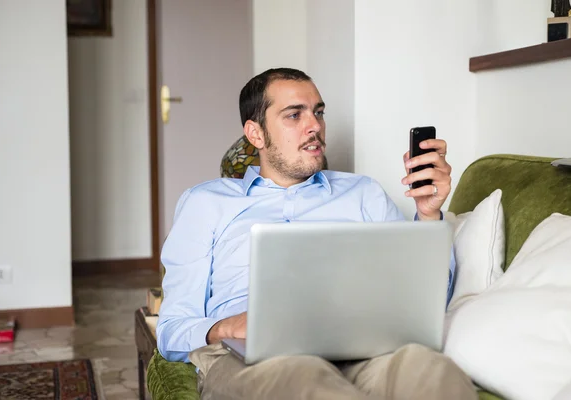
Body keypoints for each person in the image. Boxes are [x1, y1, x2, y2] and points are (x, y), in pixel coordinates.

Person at [156, 68, 477, 399]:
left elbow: (427, 299)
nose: (315, 126)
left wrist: (428, 215)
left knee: (432, 372)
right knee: (303, 380)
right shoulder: (206, 203)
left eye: (318, 112)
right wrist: (227, 327)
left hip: (362, 349)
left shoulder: (363, 193)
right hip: (254, 357)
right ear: (256, 134)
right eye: (294, 115)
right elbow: (171, 330)